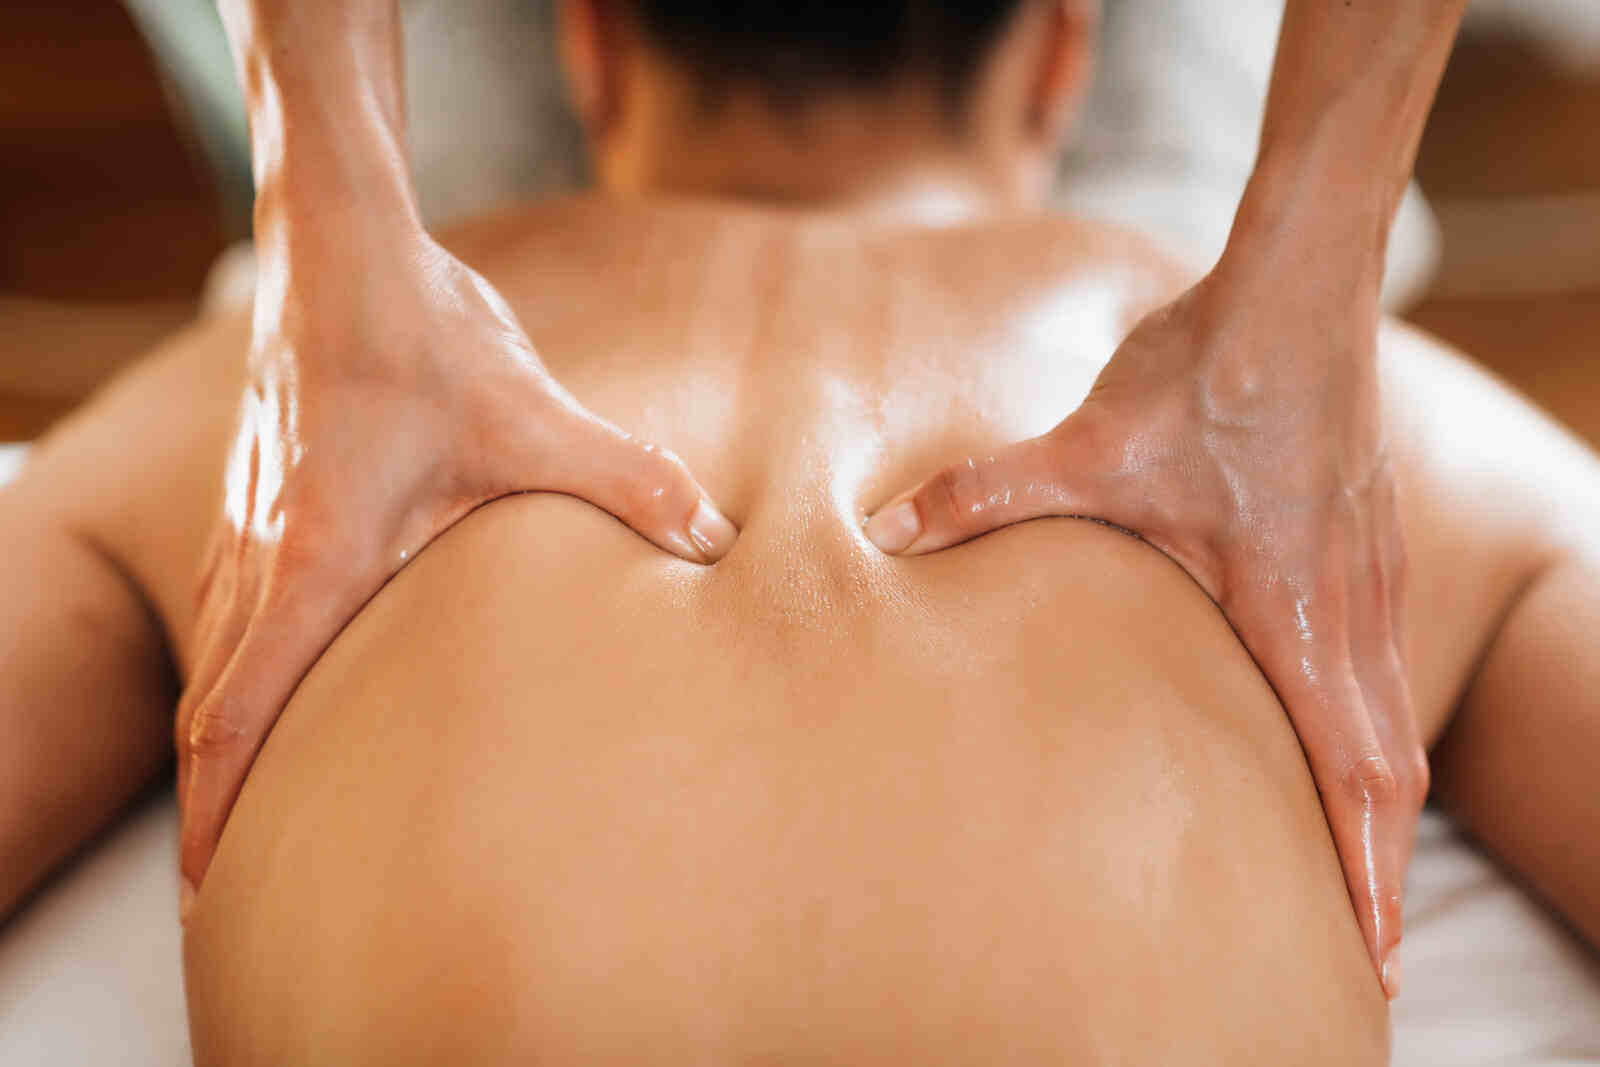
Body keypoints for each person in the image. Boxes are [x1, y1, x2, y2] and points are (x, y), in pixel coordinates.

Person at [2, 0, 1595, 1059]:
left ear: (587, 52)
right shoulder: (1371, 445)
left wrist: (313, 225)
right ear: (1059, 56)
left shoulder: (272, 428)